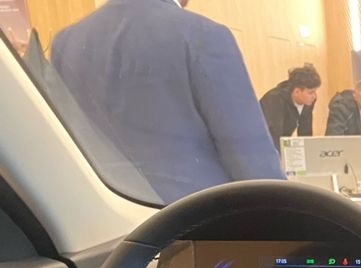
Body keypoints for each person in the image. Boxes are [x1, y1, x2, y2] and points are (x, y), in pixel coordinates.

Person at [51, 0, 283, 204]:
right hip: (191, 220)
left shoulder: (65, 42)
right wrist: (290, 213)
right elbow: (250, 155)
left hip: (100, 218)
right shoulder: (204, 35)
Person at [259, 64, 321, 148]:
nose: (314, 96)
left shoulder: (308, 101)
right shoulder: (274, 100)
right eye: (311, 92)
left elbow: (305, 131)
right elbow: (274, 135)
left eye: (315, 92)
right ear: (297, 92)